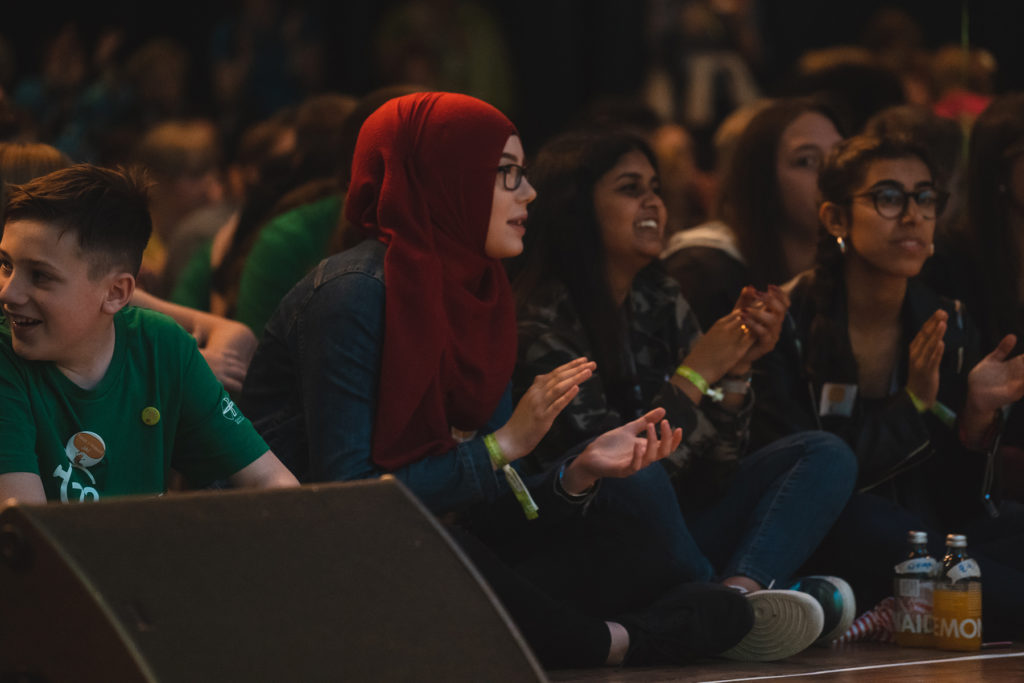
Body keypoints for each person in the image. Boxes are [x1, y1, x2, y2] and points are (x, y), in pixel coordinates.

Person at [241, 91, 755, 668]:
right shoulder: (353, 294)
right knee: (435, 546)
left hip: (443, 547)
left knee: (627, 515)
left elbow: (490, 502)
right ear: (445, 179)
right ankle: (611, 643)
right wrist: (504, 444)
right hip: (329, 561)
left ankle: (607, 628)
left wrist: (576, 474)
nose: (528, 193)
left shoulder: (482, 295)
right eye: (507, 175)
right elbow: (353, 502)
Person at [512, 128, 860, 659]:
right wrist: (697, 374)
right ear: (576, 208)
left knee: (823, 453)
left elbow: (717, 469)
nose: (653, 201)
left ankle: (738, 599)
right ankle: (726, 614)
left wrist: (738, 373)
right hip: (596, 546)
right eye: (630, 188)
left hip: (676, 528)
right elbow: (612, 481)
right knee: (637, 477)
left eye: (655, 186)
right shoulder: (542, 321)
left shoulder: (660, 295)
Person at [751, 134, 1024, 640]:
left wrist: (976, 421)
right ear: (835, 219)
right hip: (833, 531)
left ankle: (956, 590)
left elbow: (962, 501)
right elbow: (809, 481)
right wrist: (913, 404)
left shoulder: (949, 320)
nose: (913, 215)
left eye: (925, 198)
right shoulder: (786, 322)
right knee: (873, 523)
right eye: (889, 197)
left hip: (928, 534)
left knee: (1007, 528)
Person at [0, 164, 298, 505]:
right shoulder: (5, 359)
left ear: (115, 293)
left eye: (40, 276)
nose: (7, 293)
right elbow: (25, 531)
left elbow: (272, 480)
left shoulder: (162, 345)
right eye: (6, 264)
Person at [662, 97, 844, 329]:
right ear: (761, 179)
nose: (831, 174)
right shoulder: (703, 271)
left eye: (838, 158)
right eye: (806, 161)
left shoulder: (848, 264)